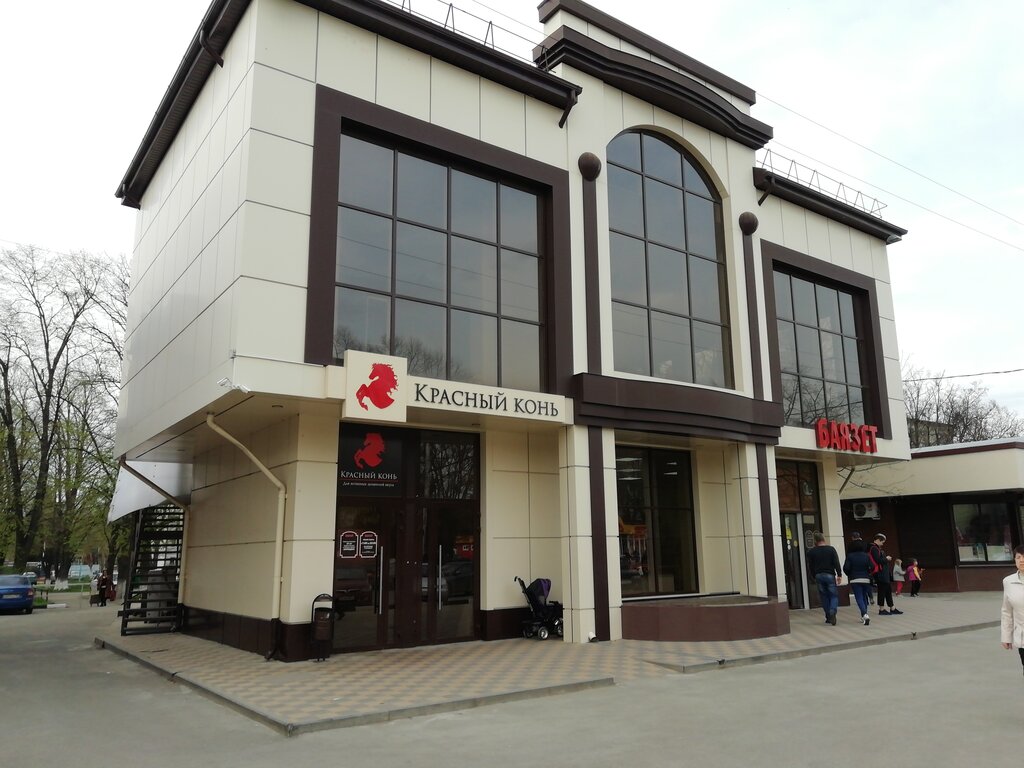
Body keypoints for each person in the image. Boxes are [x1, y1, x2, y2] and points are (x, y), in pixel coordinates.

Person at [807, 531, 842, 625]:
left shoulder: (811, 552)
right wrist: (839, 575)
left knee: (824, 596)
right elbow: (836, 563)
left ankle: (828, 616)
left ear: (815, 541)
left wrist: (813, 576)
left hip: (818, 575)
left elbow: (810, 566)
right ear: (823, 539)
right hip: (829, 575)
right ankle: (832, 611)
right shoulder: (831, 549)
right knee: (833, 595)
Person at [1000, 544, 1024, 679]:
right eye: (1018, 557)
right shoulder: (1008, 582)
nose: (1022, 560)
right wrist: (1006, 636)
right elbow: (1007, 611)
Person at [869, 534, 902, 616]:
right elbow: (878, 560)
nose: (883, 544)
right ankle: (881, 609)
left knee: (887, 590)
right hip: (880, 573)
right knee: (882, 591)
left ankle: (892, 607)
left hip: (883, 573)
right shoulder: (874, 548)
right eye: (882, 542)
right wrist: (886, 559)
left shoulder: (876, 548)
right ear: (878, 540)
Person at [843, 542, 873, 625]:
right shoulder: (866, 556)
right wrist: (868, 573)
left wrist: (849, 574)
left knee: (859, 597)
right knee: (864, 597)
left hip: (855, 579)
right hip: (865, 579)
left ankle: (864, 614)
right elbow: (872, 566)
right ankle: (864, 615)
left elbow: (846, 568)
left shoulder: (850, 556)